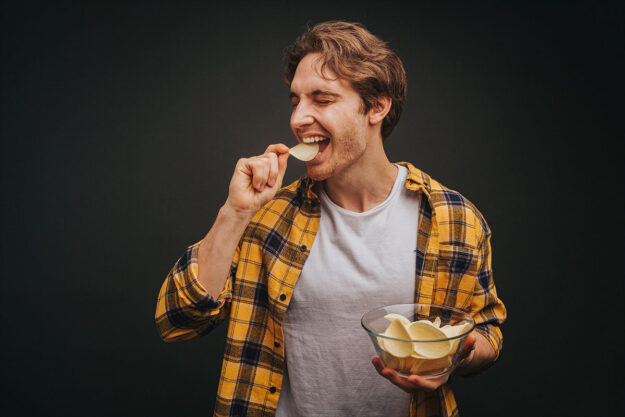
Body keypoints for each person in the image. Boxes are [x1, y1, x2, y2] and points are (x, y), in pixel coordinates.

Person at [155, 21, 506, 417]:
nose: (298, 118)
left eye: (321, 100)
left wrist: (453, 355)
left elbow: (486, 331)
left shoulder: (455, 219)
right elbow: (178, 319)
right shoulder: (267, 219)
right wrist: (234, 213)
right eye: (295, 101)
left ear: (377, 107)